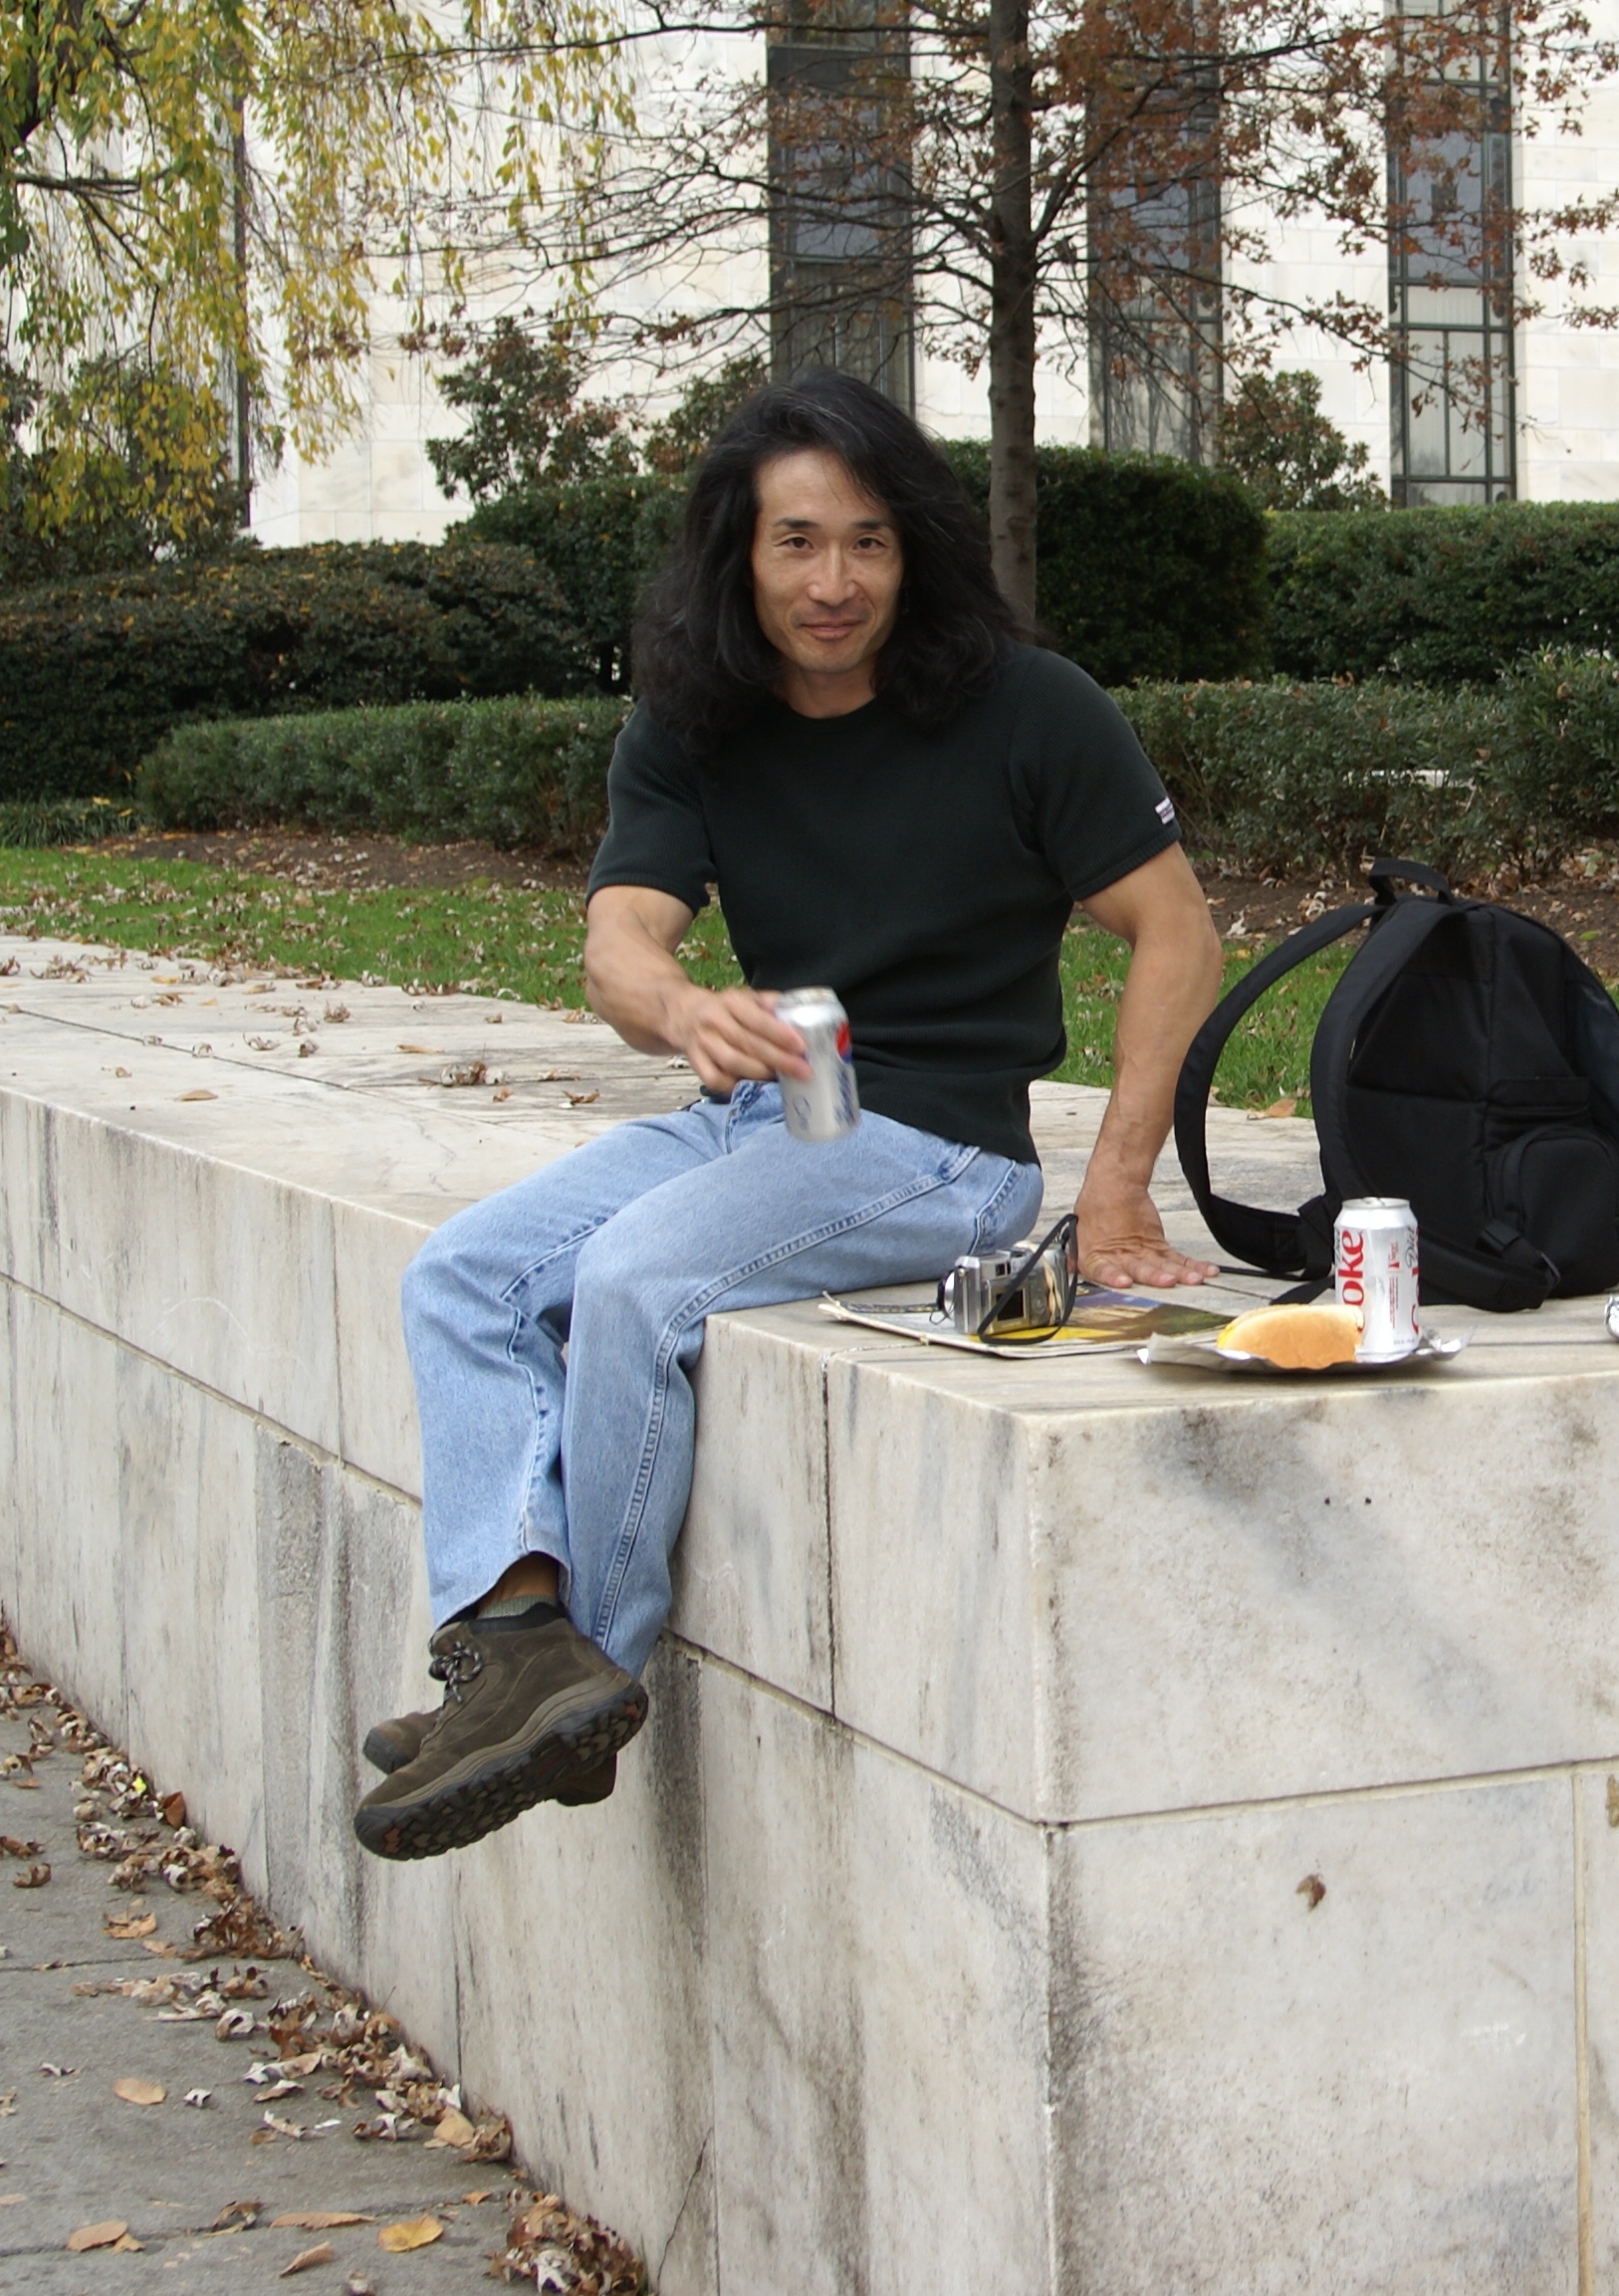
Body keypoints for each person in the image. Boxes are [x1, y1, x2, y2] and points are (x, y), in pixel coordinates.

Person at [352, 370, 1224, 1862]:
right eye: (799, 543)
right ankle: (514, 1637)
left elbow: (1179, 934)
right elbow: (621, 940)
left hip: (943, 1146)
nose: (836, 583)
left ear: (915, 550)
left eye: (870, 542)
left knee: (634, 1281)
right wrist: (686, 1011)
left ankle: (588, 1669)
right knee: (465, 1273)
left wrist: (1120, 1187)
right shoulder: (697, 721)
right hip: (766, 1114)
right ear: (739, 558)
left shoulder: (1029, 707)